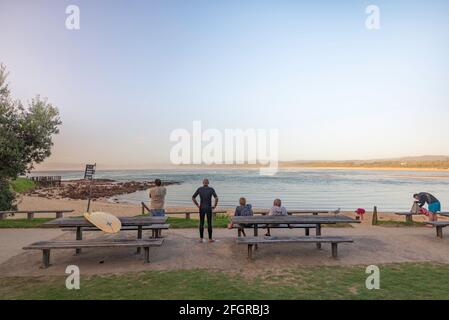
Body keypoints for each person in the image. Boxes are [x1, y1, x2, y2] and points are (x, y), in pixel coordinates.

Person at [192, 178, 218, 243]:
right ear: (208, 183)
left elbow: (193, 197)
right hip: (208, 208)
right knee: (209, 223)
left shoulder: (200, 189)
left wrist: (197, 205)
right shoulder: (211, 189)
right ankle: (210, 239)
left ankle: (201, 239)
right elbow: (216, 198)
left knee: (201, 223)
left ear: (203, 183)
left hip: (202, 208)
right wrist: (215, 205)